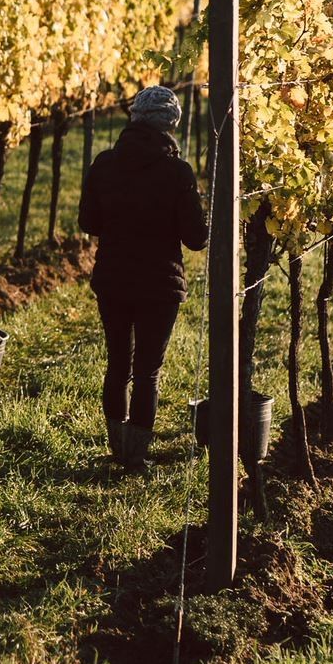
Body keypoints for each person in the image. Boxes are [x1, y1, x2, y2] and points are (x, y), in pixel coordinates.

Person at [77, 85, 208, 472]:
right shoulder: (177, 172)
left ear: (134, 118)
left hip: (113, 279)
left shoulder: (104, 163)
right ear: (171, 125)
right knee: (147, 371)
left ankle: (117, 447)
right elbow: (196, 239)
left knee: (118, 363)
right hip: (160, 285)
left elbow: (88, 222)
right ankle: (135, 457)